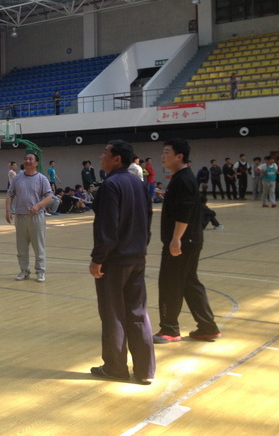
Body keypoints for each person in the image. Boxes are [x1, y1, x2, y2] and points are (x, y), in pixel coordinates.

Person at [89, 139, 155, 385]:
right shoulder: (139, 184)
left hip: (115, 261)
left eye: (105, 153)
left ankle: (115, 367)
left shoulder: (110, 185)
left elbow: (108, 227)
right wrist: (141, 247)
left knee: (113, 313)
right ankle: (145, 370)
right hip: (137, 256)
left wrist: (98, 258)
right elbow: (147, 220)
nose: (101, 156)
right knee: (138, 313)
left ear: (117, 159)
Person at [154, 138, 221, 344]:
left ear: (179, 156)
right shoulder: (183, 178)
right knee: (189, 283)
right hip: (191, 239)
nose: (162, 156)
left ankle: (169, 329)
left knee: (170, 283)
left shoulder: (182, 179)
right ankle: (208, 327)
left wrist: (176, 238)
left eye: (167, 152)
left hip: (183, 241)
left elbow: (184, 213)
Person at [5, 152, 53, 282]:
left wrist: (38, 206)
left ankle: (40, 272)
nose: (27, 161)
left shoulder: (42, 178)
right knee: (21, 247)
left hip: (36, 217)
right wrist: (8, 210)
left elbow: (49, 196)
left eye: (30, 159)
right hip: (20, 217)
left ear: (36, 163)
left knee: (38, 246)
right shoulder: (17, 178)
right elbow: (10, 194)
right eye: (25, 159)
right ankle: (24, 271)